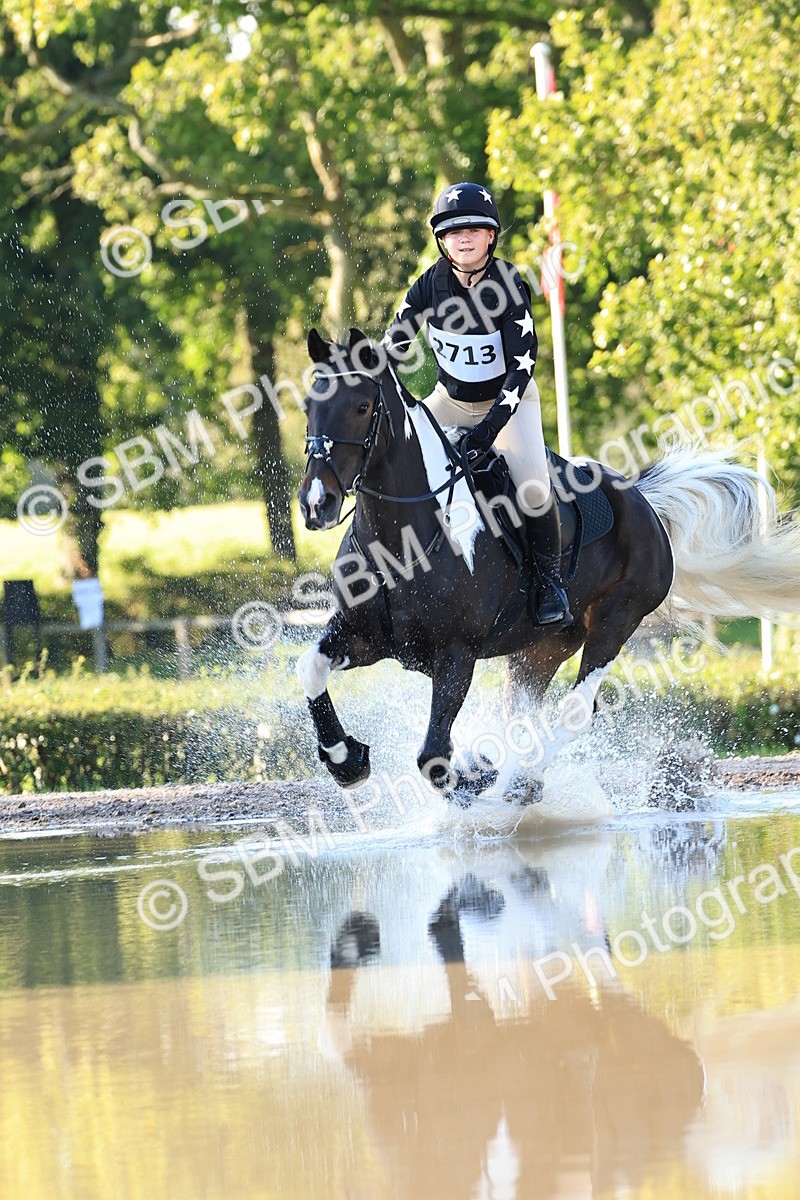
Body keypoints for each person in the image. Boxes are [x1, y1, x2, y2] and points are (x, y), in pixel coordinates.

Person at [382, 181, 572, 626]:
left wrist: (487, 431)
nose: (463, 237)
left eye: (474, 228)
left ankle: (550, 584)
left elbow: (521, 368)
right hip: (449, 400)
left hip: (509, 402)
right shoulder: (429, 284)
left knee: (532, 486)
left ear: (491, 236)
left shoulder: (509, 285)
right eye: (453, 231)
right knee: (404, 459)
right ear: (442, 240)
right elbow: (395, 344)